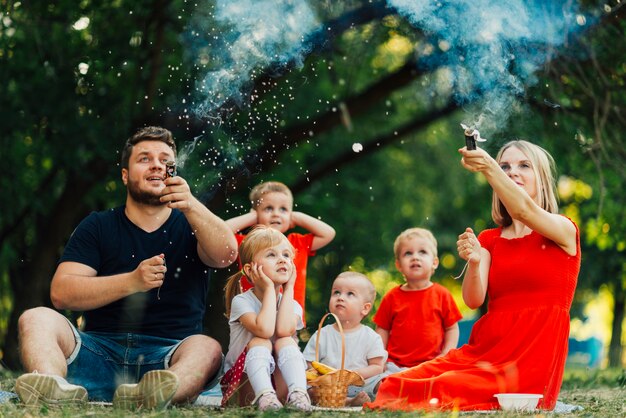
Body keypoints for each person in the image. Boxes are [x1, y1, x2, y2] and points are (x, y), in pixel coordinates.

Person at [14, 126, 238, 409]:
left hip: (168, 358)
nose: (156, 164)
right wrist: (132, 281)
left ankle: (154, 394)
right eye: (144, 158)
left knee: (208, 348)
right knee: (35, 318)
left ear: (173, 173)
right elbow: (61, 293)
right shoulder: (98, 225)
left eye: (165, 160)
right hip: (98, 352)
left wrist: (191, 205)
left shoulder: (194, 223)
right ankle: (53, 387)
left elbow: (227, 254)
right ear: (124, 175)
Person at [366, 140, 580, 411]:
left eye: (524, 165)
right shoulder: (490, 239)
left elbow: (523, 210)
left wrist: (490, 167)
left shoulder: (562, 229)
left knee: (443, 386)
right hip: (483, 352)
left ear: (542, 177)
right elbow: (473, 300)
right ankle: (379, 391)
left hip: (527, 361)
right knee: (401, 379)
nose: (512, 172)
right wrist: (476, 263)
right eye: (505, 166)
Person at [220, 226, 311, 411]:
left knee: (286, 340)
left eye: (286, 255)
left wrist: (290, 288)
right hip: (244, 387)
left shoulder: (292, 304)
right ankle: (265, 396)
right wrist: (270, 289)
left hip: (280, 388)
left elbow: (284, 331)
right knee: (261, 341)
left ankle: (298, 394)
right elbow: (265, 330)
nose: (282, 260)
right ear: (250, 269)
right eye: (271, 255)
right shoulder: (242, 301)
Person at [226, 181, 335, 321]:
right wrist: (252, 217)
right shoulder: (248, 242)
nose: (276, 214)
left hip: (290, 318)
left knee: (288, 343)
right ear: (256, 213)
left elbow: (328, 233)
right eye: (268, 209)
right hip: (254, 317)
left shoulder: (297, 242)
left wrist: (296, 216)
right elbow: (220, 232)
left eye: (283, 209)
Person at [372, 228, 462, 385]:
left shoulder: (442, 295)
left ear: (434, 262)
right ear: (399, 265)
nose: (415, 257)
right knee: (378, 383)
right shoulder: (392, 297)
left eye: (422, 252)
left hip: (431, 365)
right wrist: (381, 357)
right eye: (408, 253)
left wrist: (445, 354)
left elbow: (452, 328)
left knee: (448, 382)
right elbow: (382, 330)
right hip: (395, 366)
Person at [303, 271, 386, 406]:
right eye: (336, 292)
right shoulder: (322, 334)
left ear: (365, 308)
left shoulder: (371, 336)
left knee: (381, 381)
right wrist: (321, 378)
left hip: (361, 383)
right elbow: (308, 365)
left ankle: (382, 397)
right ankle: (348, 401)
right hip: (329, 387)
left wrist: (353, 375)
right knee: (309, 387)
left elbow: (377, 366)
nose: (340, 297)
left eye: (350, 294)